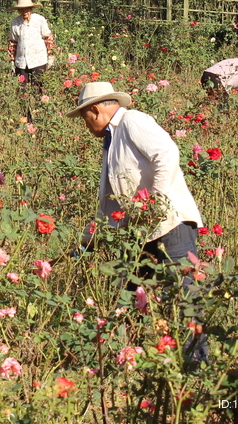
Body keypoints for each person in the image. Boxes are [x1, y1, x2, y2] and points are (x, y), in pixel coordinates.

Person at [67, 80, 208, 363]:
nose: (86, 125)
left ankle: (197, 367)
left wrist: (155, 200)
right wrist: (88, 239)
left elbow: (166, 154)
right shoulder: (111, 141)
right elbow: (111, 200)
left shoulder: (132, 121)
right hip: (141, 231)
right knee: (127, 295)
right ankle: (119, 362)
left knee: (185, 297)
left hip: (171, 224)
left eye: (85, 118)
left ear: (95, 110)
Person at [7, 0, 54, 96]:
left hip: (38, 60)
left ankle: (37, 109)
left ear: (31, 9)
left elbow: (48, 38)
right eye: (22, 10)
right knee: (22, 90)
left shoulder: (39, 20)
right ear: (18, 10)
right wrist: (11, 60)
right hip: (21, 62)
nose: (25, 12)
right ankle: (25, 111)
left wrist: (50, 56)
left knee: (38, 88)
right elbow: (13, 43)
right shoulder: (15, 22)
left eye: (27, 9)